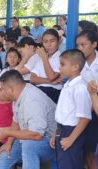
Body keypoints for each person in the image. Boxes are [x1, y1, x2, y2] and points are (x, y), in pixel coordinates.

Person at [0, 70, 56, 169]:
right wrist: (8, 143)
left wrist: (6, 132)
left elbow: (37, 135)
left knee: (28, 146)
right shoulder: (18, 96)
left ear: (11, 89)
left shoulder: (32, 100)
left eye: (2, 89)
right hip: (30, 137)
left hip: (50, 142)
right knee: (5, 155)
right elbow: (16, 123)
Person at [50, 49, 92, 169]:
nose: (59, 68)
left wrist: (71, 139)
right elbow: (64, 114)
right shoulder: (68, 85)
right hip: (63, 130)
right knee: (63, 164)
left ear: (75, 67)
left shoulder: (80, 88)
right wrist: (56, 133)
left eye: (63, 65)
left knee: (70, 164)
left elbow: (85, 117)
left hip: (72, 132)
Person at [76, 30, 98, 169]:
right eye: (78, 45)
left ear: (94, 44)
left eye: (83, 45)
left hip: (95, 109)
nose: (80, 49)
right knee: (85, 150)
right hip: (82, 109)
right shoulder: (77, 63)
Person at [30, 29, 62, 103]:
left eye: (52, 41)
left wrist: (44, 58)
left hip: (53, 92)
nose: (48, 45)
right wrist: (49, 81)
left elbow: (51, 77)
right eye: (45, 42)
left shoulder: (61, 58)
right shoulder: (41, 57)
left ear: (58, 41)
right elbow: (32, 79)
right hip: (39, 90)